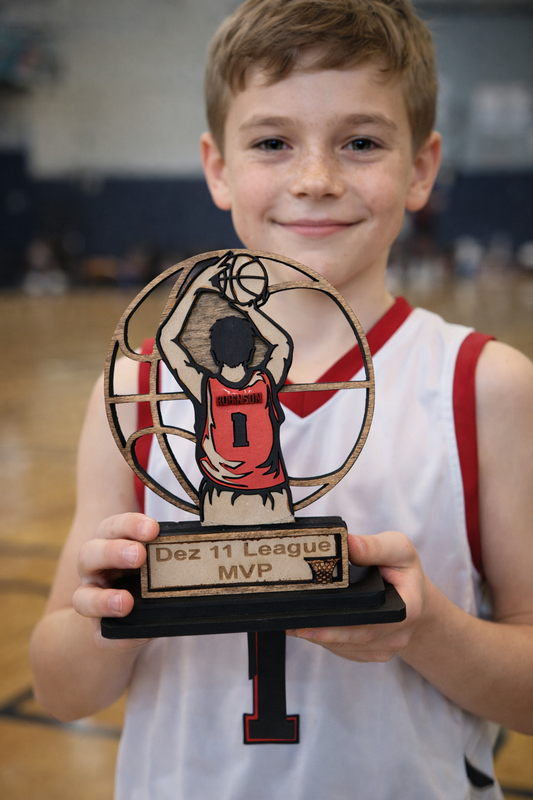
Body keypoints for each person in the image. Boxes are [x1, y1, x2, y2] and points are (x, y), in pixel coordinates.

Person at [30, 1, 533, 798]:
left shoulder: (482, 384)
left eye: (360, 142)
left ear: (422, 168)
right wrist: (107, 617)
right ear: (217, 166)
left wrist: (427, 631)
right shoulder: (136, 390)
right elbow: (61, 688)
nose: (314, 179)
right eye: (272, 142)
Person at [157, 253, 294, 526]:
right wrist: (248, 307)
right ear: (254, 351)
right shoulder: (265, 384)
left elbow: (167, 339)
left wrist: (196, 288)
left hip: (222, 493)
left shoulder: (206, 388)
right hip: (270, 491)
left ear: (213, 355)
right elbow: (282, 345)